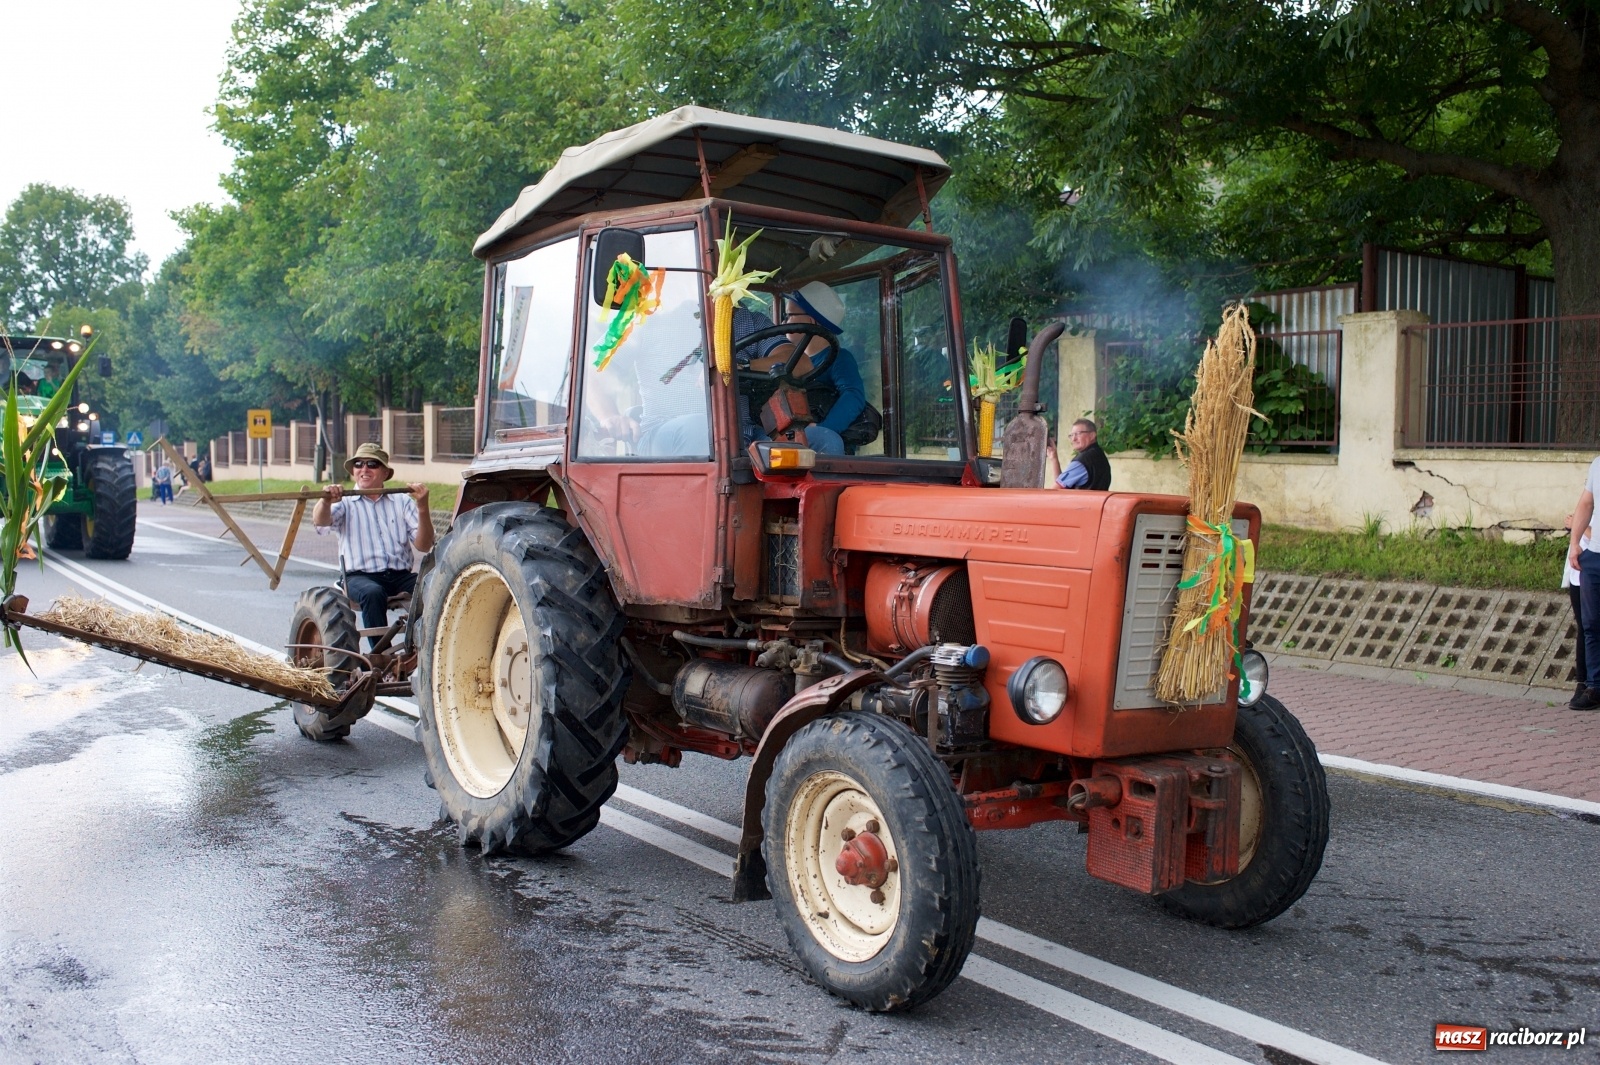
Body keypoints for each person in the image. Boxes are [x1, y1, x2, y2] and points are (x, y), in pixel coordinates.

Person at [313, 442, 434, 647]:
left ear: (385, 472)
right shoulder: (344, 501)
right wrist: (325, 501)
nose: (364, 469)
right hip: (358, 577)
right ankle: (380, 653)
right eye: (358, 464)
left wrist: (422, 508)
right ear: (353, 471)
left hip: (399, 575)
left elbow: (424, 545)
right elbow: (321, 523)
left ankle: (426, 648)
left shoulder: (402, 501)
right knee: (373, 592)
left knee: (433, 584)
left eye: (372, 464)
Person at [739, 282, 865, 456]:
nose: (783, 322)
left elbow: (853, 395)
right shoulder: (783, 362)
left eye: (788, 316)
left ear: (810, 322)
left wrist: (825, 427)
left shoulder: (839, 358)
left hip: (814, 431)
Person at [1568, 463, 1600, 712]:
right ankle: (1594, 687)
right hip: (1594, 557)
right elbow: (1586, 504)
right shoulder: (1597, 464)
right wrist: (1575, 542)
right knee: (1591, 625)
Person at [1562, 511, 1589, 708]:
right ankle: (1582, 683)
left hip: (1593, 575)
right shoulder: (1587, 503)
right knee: (1584, 629)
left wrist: (1579, 526)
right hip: (1578, 575)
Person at [1050, 418, 1112, 490]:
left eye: (1078, 434)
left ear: (1092, 435)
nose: (1073, 439)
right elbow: (1061, 483)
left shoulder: (1082, 461)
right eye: (1071, 435)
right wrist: (1054, 458)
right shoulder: (1099, 455)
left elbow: (1056, 490)